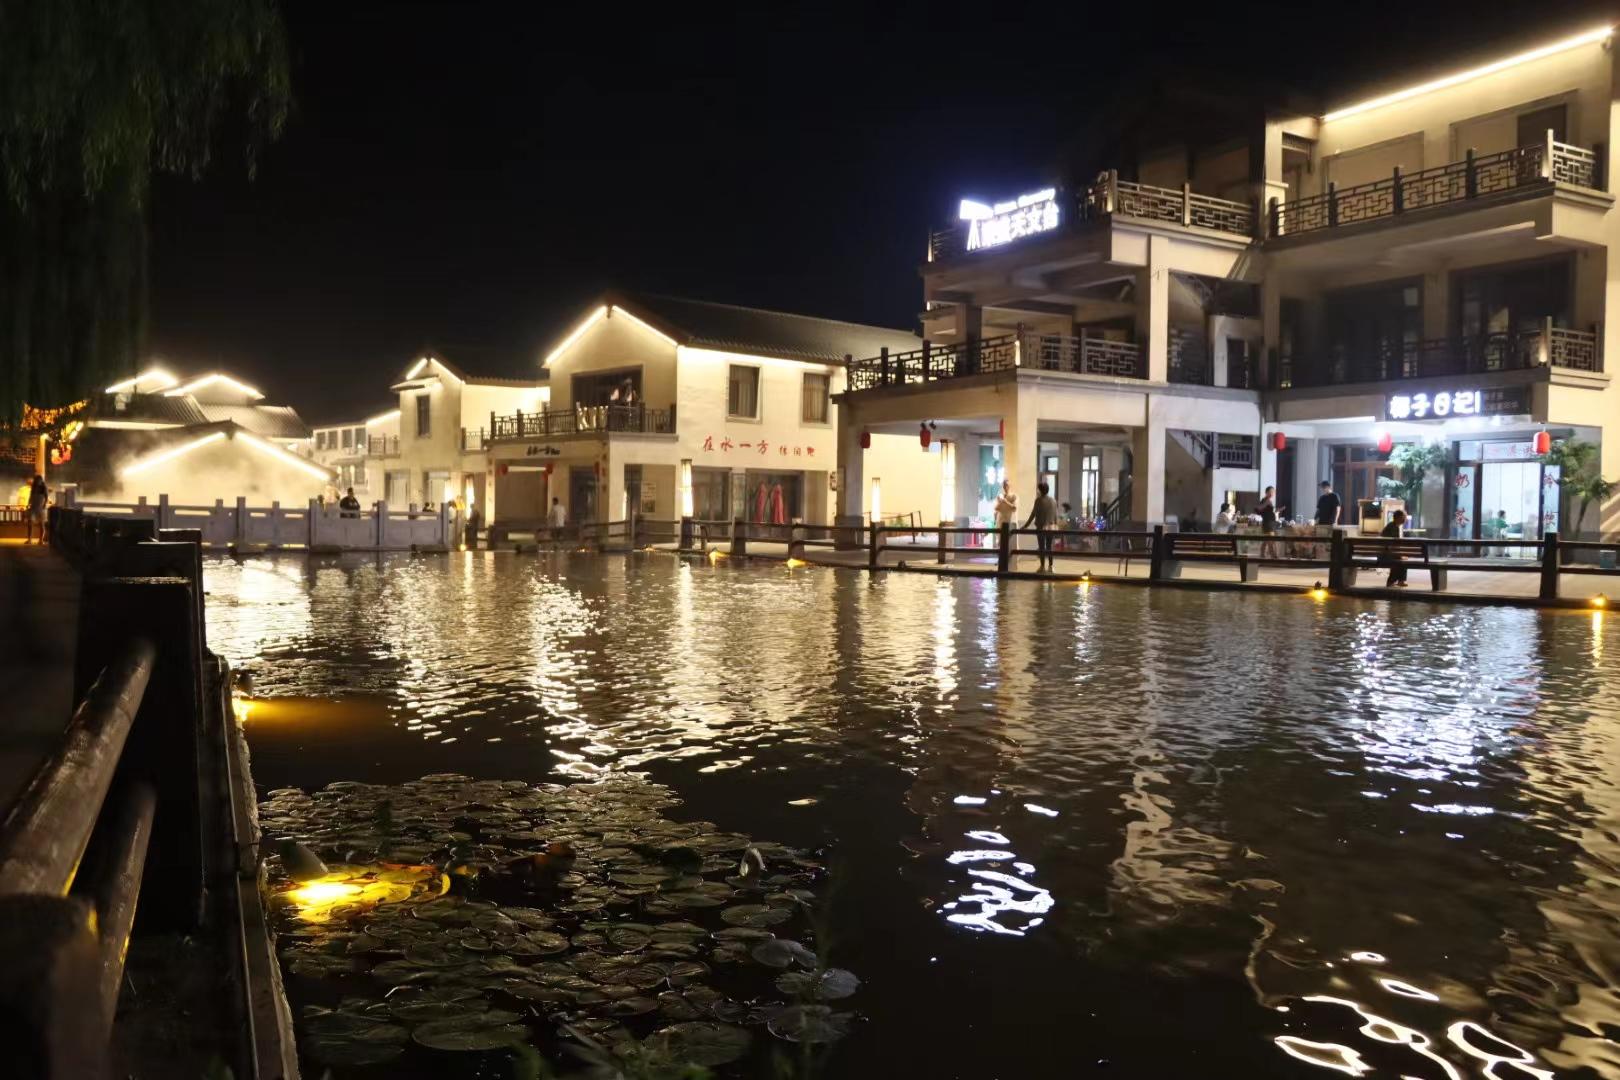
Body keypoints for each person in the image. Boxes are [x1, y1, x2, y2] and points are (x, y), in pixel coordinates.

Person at [1022, 481, 1059, 572]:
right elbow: (1056, 515)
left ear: (1041, 490)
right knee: (1049, 547)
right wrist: (1056, 526)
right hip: (1051, 527)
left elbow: (1033, 514)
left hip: (1041, 527)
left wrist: (1025, 526)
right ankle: (1051, 566)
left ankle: (1042, 566)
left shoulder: (1038, 500)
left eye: (1038, 489)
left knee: (1041, 547)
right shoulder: (1053, 501)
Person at [1382, 508, 1409, 587]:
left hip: (1385, 553)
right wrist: (1400, 556)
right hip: (1386, 554)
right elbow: (1393, 545)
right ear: (1398, 518)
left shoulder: (1392, 526)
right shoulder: (1393, 527)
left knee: (1400, 560)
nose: (1405, 519)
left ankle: (1400, 581)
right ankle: (1392, 581)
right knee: (1399, 561)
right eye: (1403, 517)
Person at [1257, 485, 1279, 558]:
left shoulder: (1267, 500)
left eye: (1273, 492)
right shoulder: (1266, 500)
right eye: (1271, 492)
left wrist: (1276, 511)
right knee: (1271, 540)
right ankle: (1273, 556)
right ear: (1266, 492)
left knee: (1266, 540)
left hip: (1268, 522)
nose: (1272, 493)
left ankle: (1263, 555)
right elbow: (1259, 510)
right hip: (1268, 523)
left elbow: (1265, 511)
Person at [25, 473, 47, 545]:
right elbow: (30, 496)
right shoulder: (33, 488)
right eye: (37, 480)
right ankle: (30, 539)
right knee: (30, 523)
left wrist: (44, 505)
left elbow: (46, 497)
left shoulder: (44, 488)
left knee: (41, 524)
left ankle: (41, 540)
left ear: (41, 480)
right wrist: (28, 503)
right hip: (33, 507)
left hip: (40, 507)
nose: (38, 481)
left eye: (39, 480)